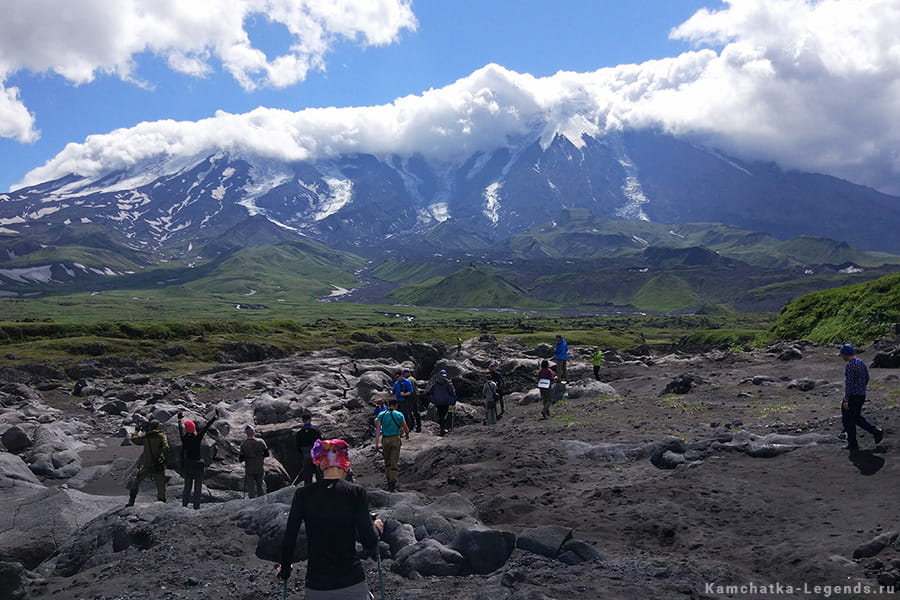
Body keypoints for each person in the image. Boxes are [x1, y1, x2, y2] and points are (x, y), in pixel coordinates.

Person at [277, 439, 384, 599]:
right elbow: (369, 540)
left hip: (317, 585)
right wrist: (377, 527)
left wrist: (285, 569)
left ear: (320, 464)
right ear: (345, 463)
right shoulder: (356, 492)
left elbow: (290, 536)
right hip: (352, 582)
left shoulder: (303, 495)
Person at [839, 344, 884, 451]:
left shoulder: (850, 366)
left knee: (848, 420)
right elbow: (867, 378)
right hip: (861, 395)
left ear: (846, 354)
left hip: (853, 396)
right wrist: (861, 388)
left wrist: (846, 399)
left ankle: (853, 444)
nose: (841, 356)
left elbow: (849, 384)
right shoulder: (861, 362)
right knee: (856, 417)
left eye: (842, 354)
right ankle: (875, 431)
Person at [177, 408, 218, 509]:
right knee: (198, 488)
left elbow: (180, 430)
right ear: (194, 428)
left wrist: (179, 420)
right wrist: (214, 417)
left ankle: (184, 505)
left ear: (186, 429)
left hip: (188, 464)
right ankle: (196, 506)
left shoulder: (184, 438)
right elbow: (206, 427)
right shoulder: (197, 437)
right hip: (198, 464)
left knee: (187, 487)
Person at [127, 419, 169, 506]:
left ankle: (131, 501)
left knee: (136, 481)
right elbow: (166, 448)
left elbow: (135, 440)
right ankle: (161, 502)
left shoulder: (146, 437)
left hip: (147, 464)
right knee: (160, 484)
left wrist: (136, 431)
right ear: (158, 426)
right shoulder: (161, 436)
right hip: (158, 464)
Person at [374, 397, 410, 492]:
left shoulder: (381, 414)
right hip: (395, 438)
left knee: (387, 461)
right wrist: (407, 435)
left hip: (385, 439)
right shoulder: (399, 414)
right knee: (394, 461)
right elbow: (406, 428)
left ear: (388, 405)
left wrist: (376, 443)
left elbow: (378, 430)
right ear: (396, 405)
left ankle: (388, 479)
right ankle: (392, 483)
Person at [239, 425, 269, 498]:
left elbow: (241, 458)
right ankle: (263, 502)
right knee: (260, 486)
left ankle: (252, 503)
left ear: (246, 434)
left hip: (249, 468)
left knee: (251, 488)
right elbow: (267, 454)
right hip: (259, 467)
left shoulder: (244, 444)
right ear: (254, 433)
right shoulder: (261, 441)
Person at [426, 369, 457, 436]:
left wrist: (432, 399)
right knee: (445, 416)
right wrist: (453, 401)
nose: (443, 377)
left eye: (444, 375)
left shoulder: (435, 384)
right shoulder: (448, 384)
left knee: (441, 416)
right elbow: (452, 393)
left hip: (439, 403)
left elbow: (430, 392)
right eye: (443, 375)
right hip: (445, 402)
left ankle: (442, 428)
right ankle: (444, 428)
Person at [296, 412, 323, 487]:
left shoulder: (299, 433)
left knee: (307, 476)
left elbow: (298, 446)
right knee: (319, 475)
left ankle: (308, 493)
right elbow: (321, 442)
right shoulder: (315, 430)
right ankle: (320, 491)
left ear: (303, 421)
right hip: (316, 454)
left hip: (306, 455)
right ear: (310, 420)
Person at [403, 368, 422, 433]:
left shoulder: (409, 380)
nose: (404, 374)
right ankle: (418, 426)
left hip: (411, 397)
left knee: (410, 412)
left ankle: (411, 426)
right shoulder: (412, 378)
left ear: (408, 373)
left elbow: (410, 389)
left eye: (405, 373)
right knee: (416, 412)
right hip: (415, 397)